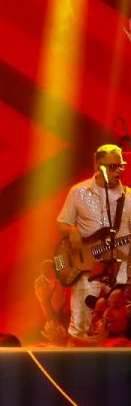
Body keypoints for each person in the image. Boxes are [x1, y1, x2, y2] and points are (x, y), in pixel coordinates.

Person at [56, 144, 131, 342]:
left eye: (121, 165)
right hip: (86, 273)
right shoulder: (78, 192)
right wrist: (71, 231)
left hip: (120, 273)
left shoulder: (129, 197)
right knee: (81, 328)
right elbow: (61, 223)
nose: (119, 170)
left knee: (117, 330)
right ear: (99, 166)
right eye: (113, 166)